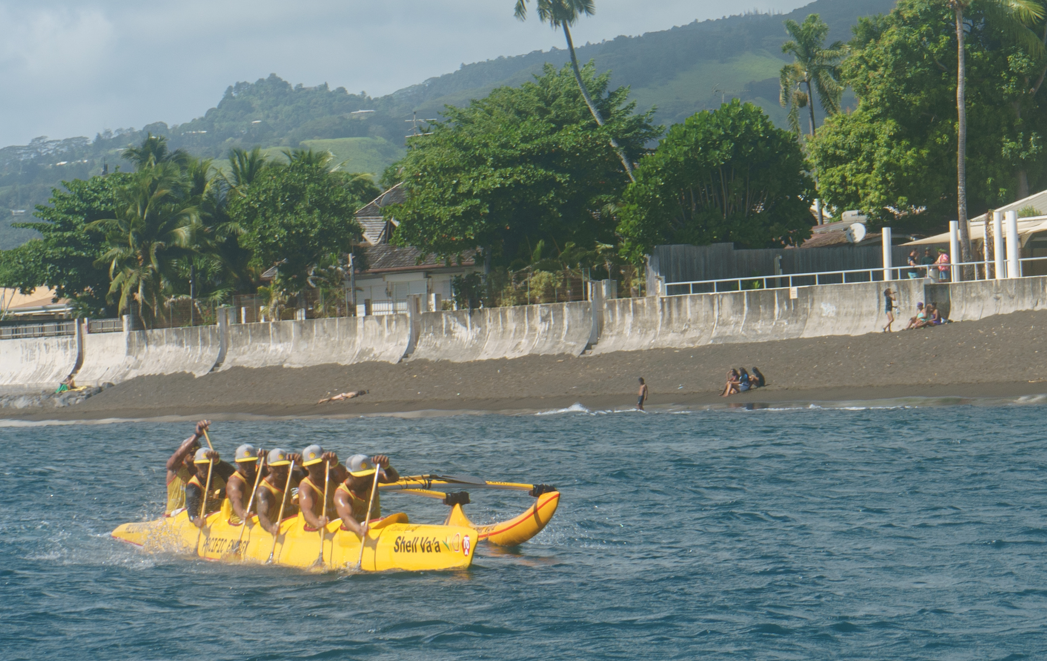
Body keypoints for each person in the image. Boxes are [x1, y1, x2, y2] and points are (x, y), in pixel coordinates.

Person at [334, 454, 400, 536]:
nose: (365, 479)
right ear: (348, 474)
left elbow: (394, 478)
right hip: (353, 534)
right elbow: (346, 517)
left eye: (367, 475)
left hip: (376, 529)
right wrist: (359, 529)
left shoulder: (372, 479)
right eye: (360, 477)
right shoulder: (342, 494)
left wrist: (386, 467)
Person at [297, 444, 349, 531]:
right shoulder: (306, 487)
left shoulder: (331, 475)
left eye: (320, 464)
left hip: (335, 526)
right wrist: (318, 523)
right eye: (313, 465)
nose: (318, 469)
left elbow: (348, 479)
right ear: (306, 467)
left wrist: (336, 464)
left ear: (325, 462)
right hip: (315, 529)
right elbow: (307, 511)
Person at [186, 447, 236, 529]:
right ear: (195, 464)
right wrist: (196, 520)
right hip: (205, 516)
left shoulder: (220, 474)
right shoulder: (193, 485)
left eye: (208, 465)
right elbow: (191, 507)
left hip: (223, 515)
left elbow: (234, 473)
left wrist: (218, 462)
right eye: (201, 465)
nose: (205, 469)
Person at [165, 420, 208, 515]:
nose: (193, 454)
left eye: (197, 452)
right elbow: (177, 456)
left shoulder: (202, 471)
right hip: (173, 517)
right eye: (190, 452)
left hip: (192, 516)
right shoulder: (175, 467)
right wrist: (197, 435)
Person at [256, 448, 301, 536]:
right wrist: (270, 528)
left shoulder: (294, 476)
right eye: (276, 467)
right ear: (268, 468)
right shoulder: (264, 490)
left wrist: (301, 463)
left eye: (284, 466)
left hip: (297, 526)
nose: (281, 471)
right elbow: (262, 516)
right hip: (279, 528)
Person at [225, 444, 264, 526]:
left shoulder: (262, 471)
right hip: (241, 522)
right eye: (244, 463)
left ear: (256, 461)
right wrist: (242, 513)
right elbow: (236, 500)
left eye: (251, 463)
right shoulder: (235, 482)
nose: (248, 467)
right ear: (237, 463)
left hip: (260, 519)